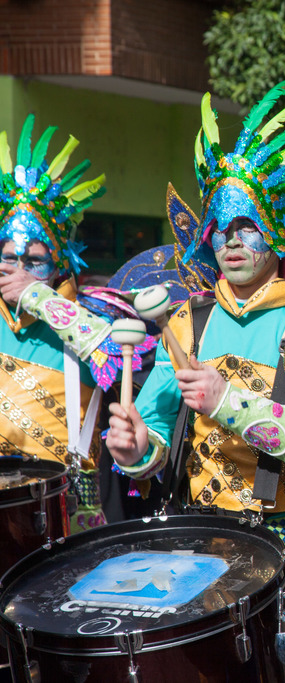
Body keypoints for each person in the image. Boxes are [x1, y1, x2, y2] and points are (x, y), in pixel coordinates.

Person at [105, 83, 285, 587]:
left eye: (246, 225)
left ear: (276, 229)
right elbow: (158, 432)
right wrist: (138, 450)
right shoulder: (186, 322)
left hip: (283, 544)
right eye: (221, 227)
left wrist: (227, 400)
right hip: (192, 540)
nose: (230, 240)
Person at [0, 115, 151, 534]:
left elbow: (123, 363)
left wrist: (39, 297)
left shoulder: (92, 317)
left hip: (69, 512)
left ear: (58, 265)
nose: (18, 270)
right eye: (8, 257)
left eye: (34, 261)